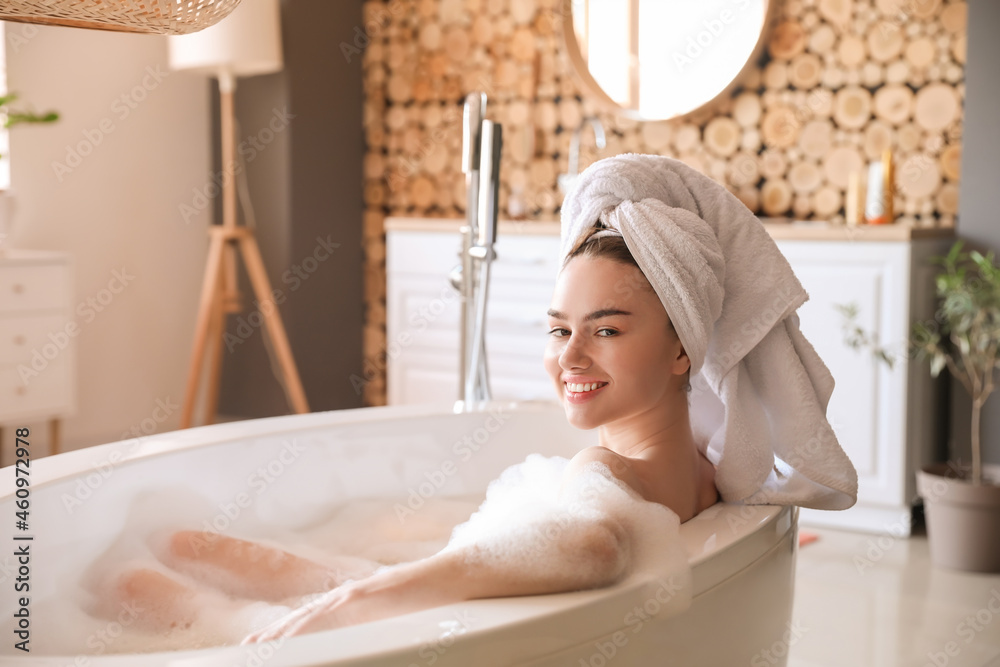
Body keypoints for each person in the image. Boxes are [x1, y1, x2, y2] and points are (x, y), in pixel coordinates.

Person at [94, 225, 719, 642]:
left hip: (405, 595)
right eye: (559, 330)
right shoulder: (708, 469)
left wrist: (359, 597)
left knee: (136, 576)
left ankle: (221, 612)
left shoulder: (602, 472)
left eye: (606, 331)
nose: (570, 357)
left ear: (682, 349)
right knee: (181, 545)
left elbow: (596, 547)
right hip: (427, 572)